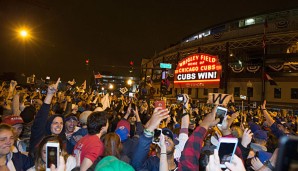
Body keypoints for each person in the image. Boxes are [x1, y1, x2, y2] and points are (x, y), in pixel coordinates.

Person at [29, 78, 65, 157]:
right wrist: (50, 95)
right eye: (55, 123)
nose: (59, 125)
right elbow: (41, 118)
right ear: (49, 124)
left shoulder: (63, 141)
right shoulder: (40, 135)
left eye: (61, 123)